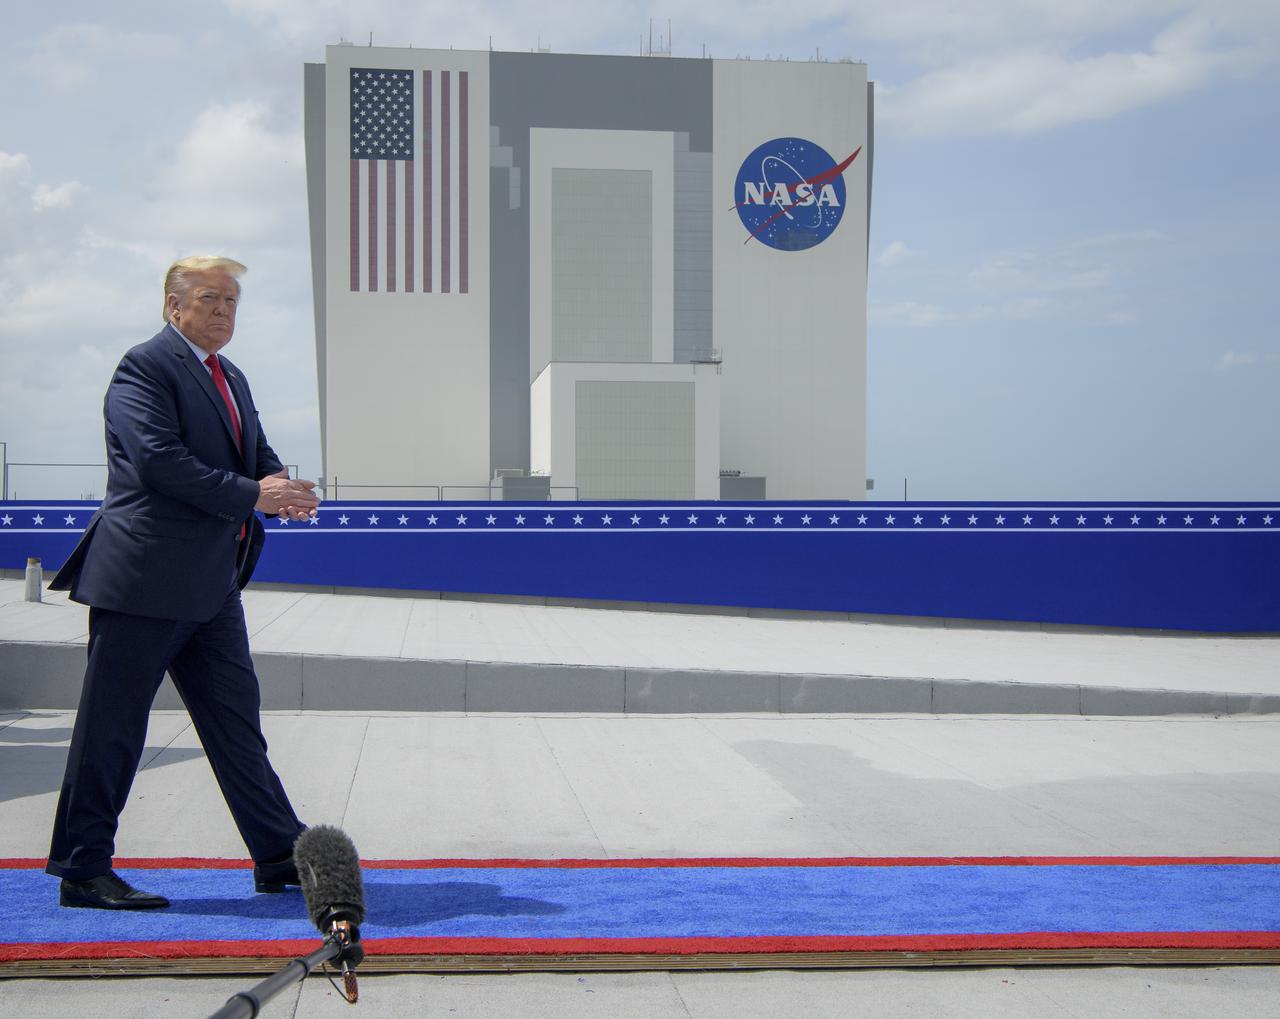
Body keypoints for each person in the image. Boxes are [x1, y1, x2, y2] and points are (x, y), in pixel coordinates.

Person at [46, 255, 321, 910]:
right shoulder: (145, 368)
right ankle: (83, 867)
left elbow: (254, 454)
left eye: (232, 301)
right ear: (174, 307)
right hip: (143, 581)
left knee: (235, 720)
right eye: (210, 298)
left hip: (210, 585)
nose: (224, 311)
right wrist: (256, 492)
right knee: (112, 727)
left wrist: (282, 488)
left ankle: (278, 851)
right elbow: (158, 462)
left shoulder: (231, 377)